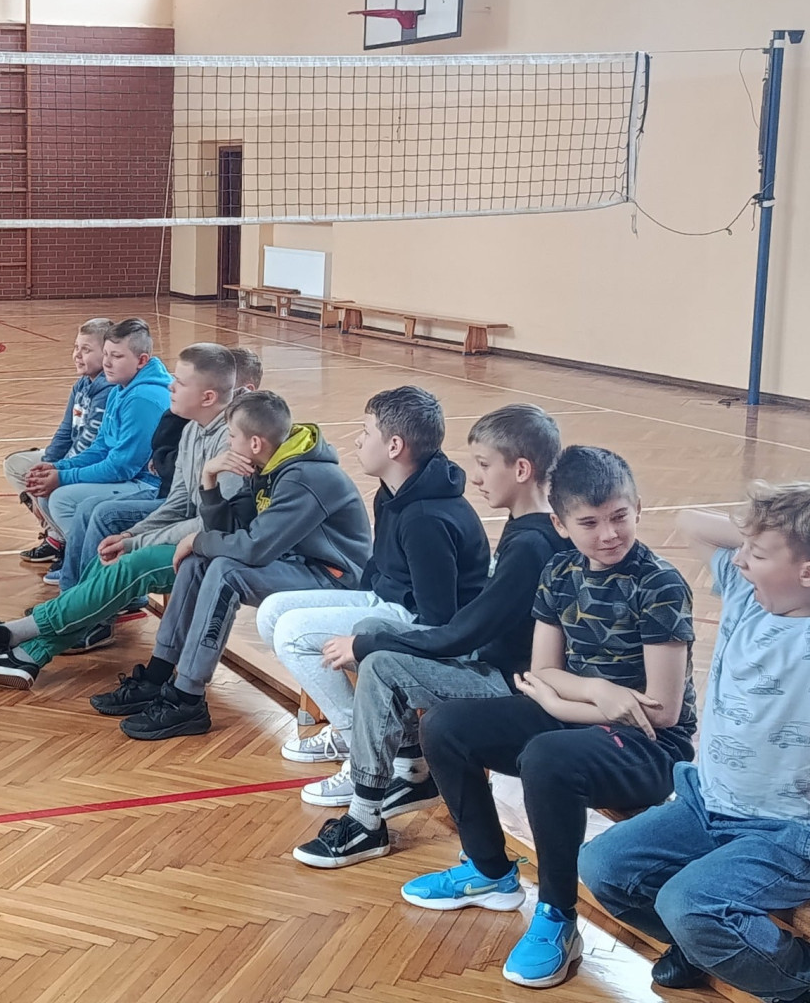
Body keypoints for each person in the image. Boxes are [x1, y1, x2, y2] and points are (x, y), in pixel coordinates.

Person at [400, 446, 697, 990]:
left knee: (546, 756)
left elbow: (662, 710)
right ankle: (489, 871)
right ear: (560, 524)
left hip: (650, 746)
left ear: (638, 508)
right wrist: (596, 692)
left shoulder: (659, 584)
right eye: (589, 523)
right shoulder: (560, 570)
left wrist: (561, 702)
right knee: (444, 726)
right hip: (584, 718)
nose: (609, 534)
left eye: (619, 516)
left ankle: (559, 915)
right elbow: (544, 671)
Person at [291, 403, 569, 868]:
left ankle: (364, 820)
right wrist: (373, 637)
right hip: (490, 660)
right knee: (373, 628)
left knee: (381, 661)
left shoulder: (533, 545)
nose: (475, 478)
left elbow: (464, 634)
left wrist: (370, 647)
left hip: (511, 685)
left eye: (484, 465)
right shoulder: (526, 527)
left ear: (521, 470)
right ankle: (411, 768)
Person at [579, 485, 810, 1003]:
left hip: (787, 830)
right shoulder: (747, 595)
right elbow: (689, 520)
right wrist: (768, 532)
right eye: (743, 548)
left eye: (758, 554)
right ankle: (701, 947)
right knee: (603, 867)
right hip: (708, 800)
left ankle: (794, 981)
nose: (740, 560)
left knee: (690, 904)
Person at [0, 343, 242, 686]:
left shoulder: (232, 443)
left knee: (129, 564)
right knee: (107, 559)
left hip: (219, 548)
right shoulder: (191, 429)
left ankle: (12, 634)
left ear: (208, 397)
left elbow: (210, 523)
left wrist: (137, 543)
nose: (170, 387)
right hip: (190, 537)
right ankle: (29, 656)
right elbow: (177, 503)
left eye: (180, 381)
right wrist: (131, 535)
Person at [87, 391, 373, 740]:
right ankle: (158, 675)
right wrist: (208, 480)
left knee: (225, 571)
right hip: (296, 565)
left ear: (254, 443)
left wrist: (197, 539)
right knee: (198, 561)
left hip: (334, 580)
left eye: (232, 436)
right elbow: (229, 528)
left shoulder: (305, 478)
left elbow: (253, 548)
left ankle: (188, 698)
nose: (228, 443)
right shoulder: (268, 466)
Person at [261, 385, 490, 765]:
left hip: (419, 622)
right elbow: (378, 567)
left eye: (366, 432)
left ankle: (367, 745)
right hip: (388, 600)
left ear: (394, 446)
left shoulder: (426, 519)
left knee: (292, 634)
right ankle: (367, 732)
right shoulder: (393, 491)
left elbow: (436, 618)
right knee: (272, 612)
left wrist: (365, 640)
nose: (358, 440)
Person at [24, 318, 172, 591]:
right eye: (105, 354)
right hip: (128, 476)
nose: (107, 363)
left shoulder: (143, 399)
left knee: (63, 499)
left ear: (142, 360)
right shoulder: (121, 388)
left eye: (117, 356)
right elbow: (101, 447)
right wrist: (58, 468)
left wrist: (64, 478)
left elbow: (122, 467)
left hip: (148, 485)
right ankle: (82, 566)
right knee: (48, 492)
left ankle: (95, 574)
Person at [7, 318, 115, 567]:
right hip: (72, 457)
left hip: (90, 462)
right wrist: (46, 464)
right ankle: (55, 535)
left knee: (49, 487)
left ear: (107, 354)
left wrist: (56, 470)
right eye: (76, 347)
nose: (77, 355)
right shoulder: (82, 385)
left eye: (86, 350)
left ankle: (73, 548)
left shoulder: (108, 391)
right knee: (16, 465)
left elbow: (90, 444)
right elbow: (65, 432)